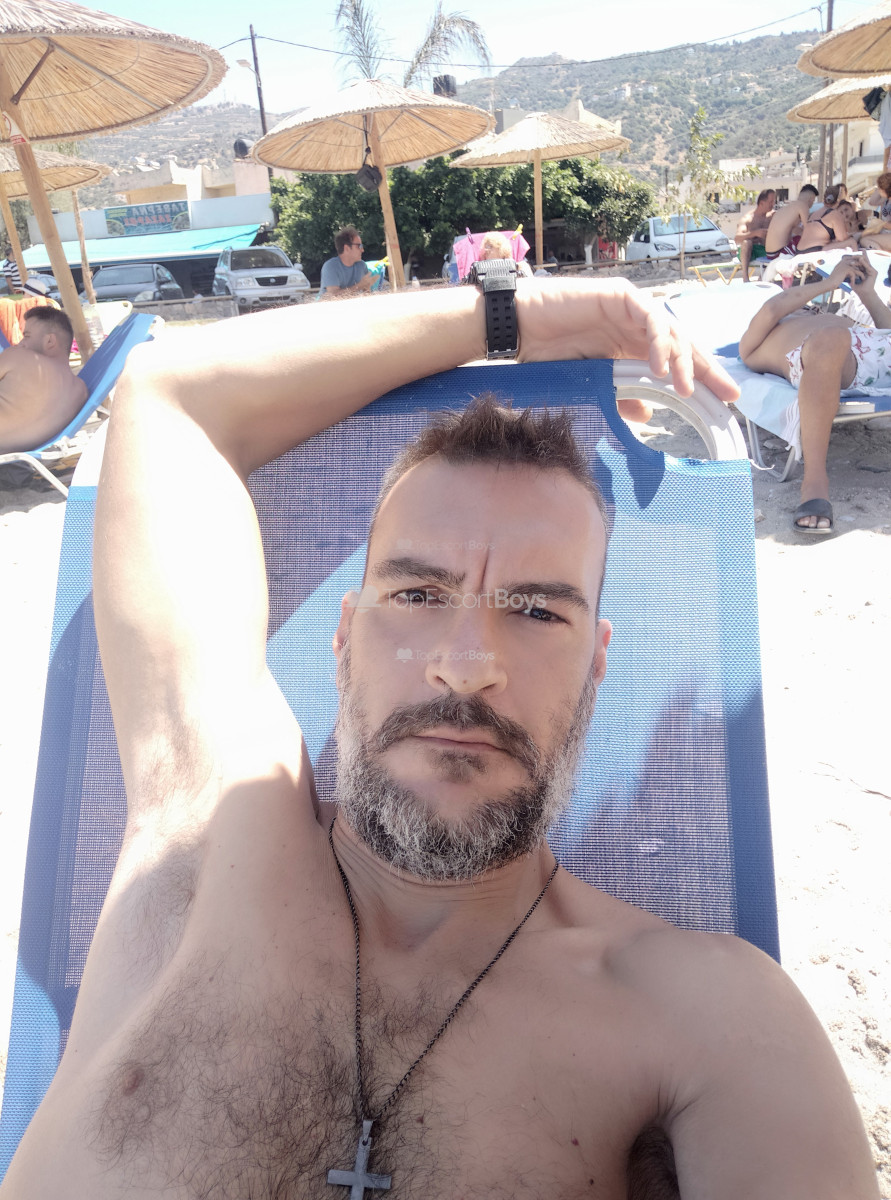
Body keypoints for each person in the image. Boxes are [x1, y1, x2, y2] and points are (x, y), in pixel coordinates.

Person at [1, 280, 880, 1200]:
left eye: (535, 610)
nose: (465, 667)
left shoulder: (706, 1018)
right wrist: (514, 316)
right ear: (345, 636)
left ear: (596, 663)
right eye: (418, 595)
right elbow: (169, 398)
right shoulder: (208, 831)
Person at [740, 251, 889, 534]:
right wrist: (828, 283)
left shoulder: (833, 319)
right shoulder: (759, 338)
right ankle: (815, 482)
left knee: (834, 333)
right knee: (830, 336)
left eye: (809, 307)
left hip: (873, 350)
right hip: (830, 357)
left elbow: (887, 333)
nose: (805, 307)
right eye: (797, 303)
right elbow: (773, 308)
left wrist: (867, 293)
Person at [0, 306, 87, 454]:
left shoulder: (18, 357)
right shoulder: (81, 391)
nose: (21, 343)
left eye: (27, 336)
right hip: (23, 459)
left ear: (50, 341)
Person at [763, 183, 819, 261]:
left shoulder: (788, 207)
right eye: (813, 201)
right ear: (810, 199)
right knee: (813, 242)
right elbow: (808, 231)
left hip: (770, 253)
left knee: (800, 238)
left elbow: (796, 230)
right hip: (780, 252)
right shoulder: (802, 206)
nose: (812, 204)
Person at [318, 225, 373, 299]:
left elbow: (367, 294)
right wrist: (359, 286)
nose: (362, 250)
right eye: (359, 246)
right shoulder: (331, 267)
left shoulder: (362, 265)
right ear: (347, 248)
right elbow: (333, 296)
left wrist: (367, 286)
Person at [734, 187, 775, 281]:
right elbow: (737, 238)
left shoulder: (773, 216)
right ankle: (745, 277)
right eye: (771, 202)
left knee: (776, 248)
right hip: (750, 250)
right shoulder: (748, 218)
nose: (773, 204)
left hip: (766, 249)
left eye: (773, 201)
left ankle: (762, 279)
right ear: (762, 203)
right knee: (746, 242)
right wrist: (755, 233)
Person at [796, 197, 861, 255]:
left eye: (846, 212)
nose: (844, 213)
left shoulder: (820, 213)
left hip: (800, 250)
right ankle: (856, 258)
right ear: (837, 207)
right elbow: (842, 240)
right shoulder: (835, 214)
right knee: (852, 242)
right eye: (843, 210)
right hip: (814, 249)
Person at [859, 172, 891, 251]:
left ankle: (880, 254)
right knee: (860, 236)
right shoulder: (886, 200)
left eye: (879, 188)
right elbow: (872, 201)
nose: (878, 190)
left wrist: (881, 224)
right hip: (886, 231)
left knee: (865, 240)